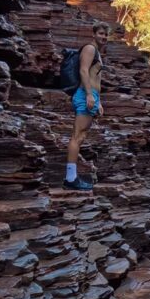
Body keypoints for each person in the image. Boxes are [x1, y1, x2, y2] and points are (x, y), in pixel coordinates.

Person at [63, 22, 110, 190]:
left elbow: (95, 78)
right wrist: (90, 94)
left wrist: (99, 101)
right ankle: (70, 179)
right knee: (77, 135)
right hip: (85, 94)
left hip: (91, 96)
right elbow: (83, 71)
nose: (104, 37)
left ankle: (71, 177)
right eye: (101, 33)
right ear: (94, 34)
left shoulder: (97, 52)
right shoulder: (90, 49)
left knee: (81, 136)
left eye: (106, 35)